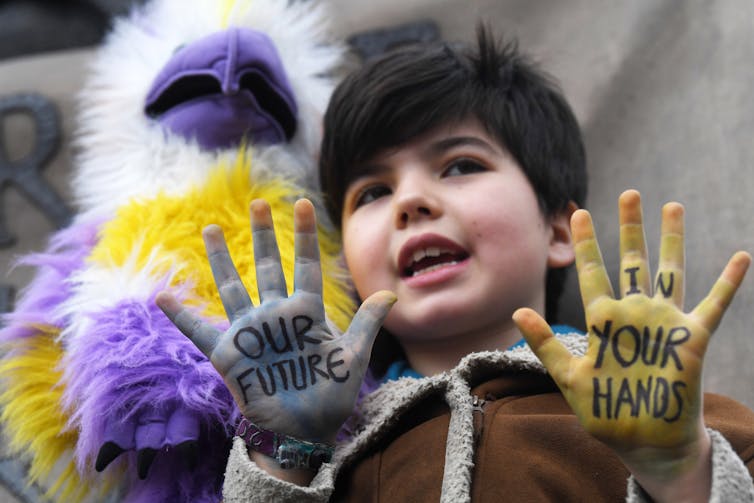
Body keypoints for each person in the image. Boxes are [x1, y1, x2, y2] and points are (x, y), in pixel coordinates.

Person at [156, 26, 754, 502]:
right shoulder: (326, 456)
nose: (411, 202)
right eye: (371, 193)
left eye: (461, 165)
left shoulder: (680, 419)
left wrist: (678, 469)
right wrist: (284, 448)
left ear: (556, 228)